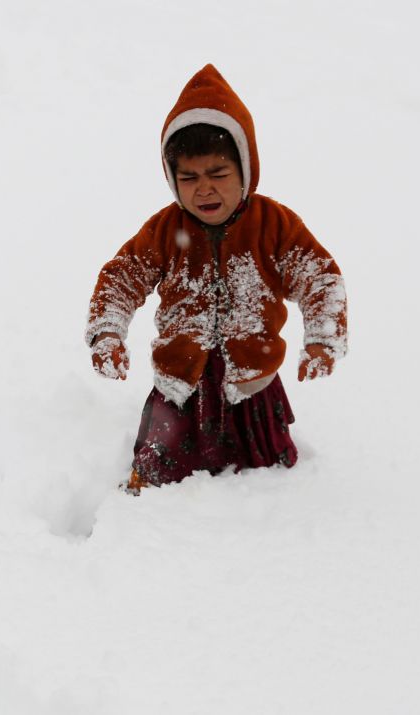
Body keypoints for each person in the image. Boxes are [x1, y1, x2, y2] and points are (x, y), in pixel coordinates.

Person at [85, 64, 348, 494]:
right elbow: (122, 277)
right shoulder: (165, 230)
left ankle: (271, 507)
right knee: (161, 466)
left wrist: (322, 336)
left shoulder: (274, 224)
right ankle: (145, 501)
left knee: (264, 473)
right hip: (181, 380)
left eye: (218, 174)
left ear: (246, 170)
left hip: (251, 380)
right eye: (188, 178)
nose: (204, 190)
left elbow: (318, 276)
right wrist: (107, 333)